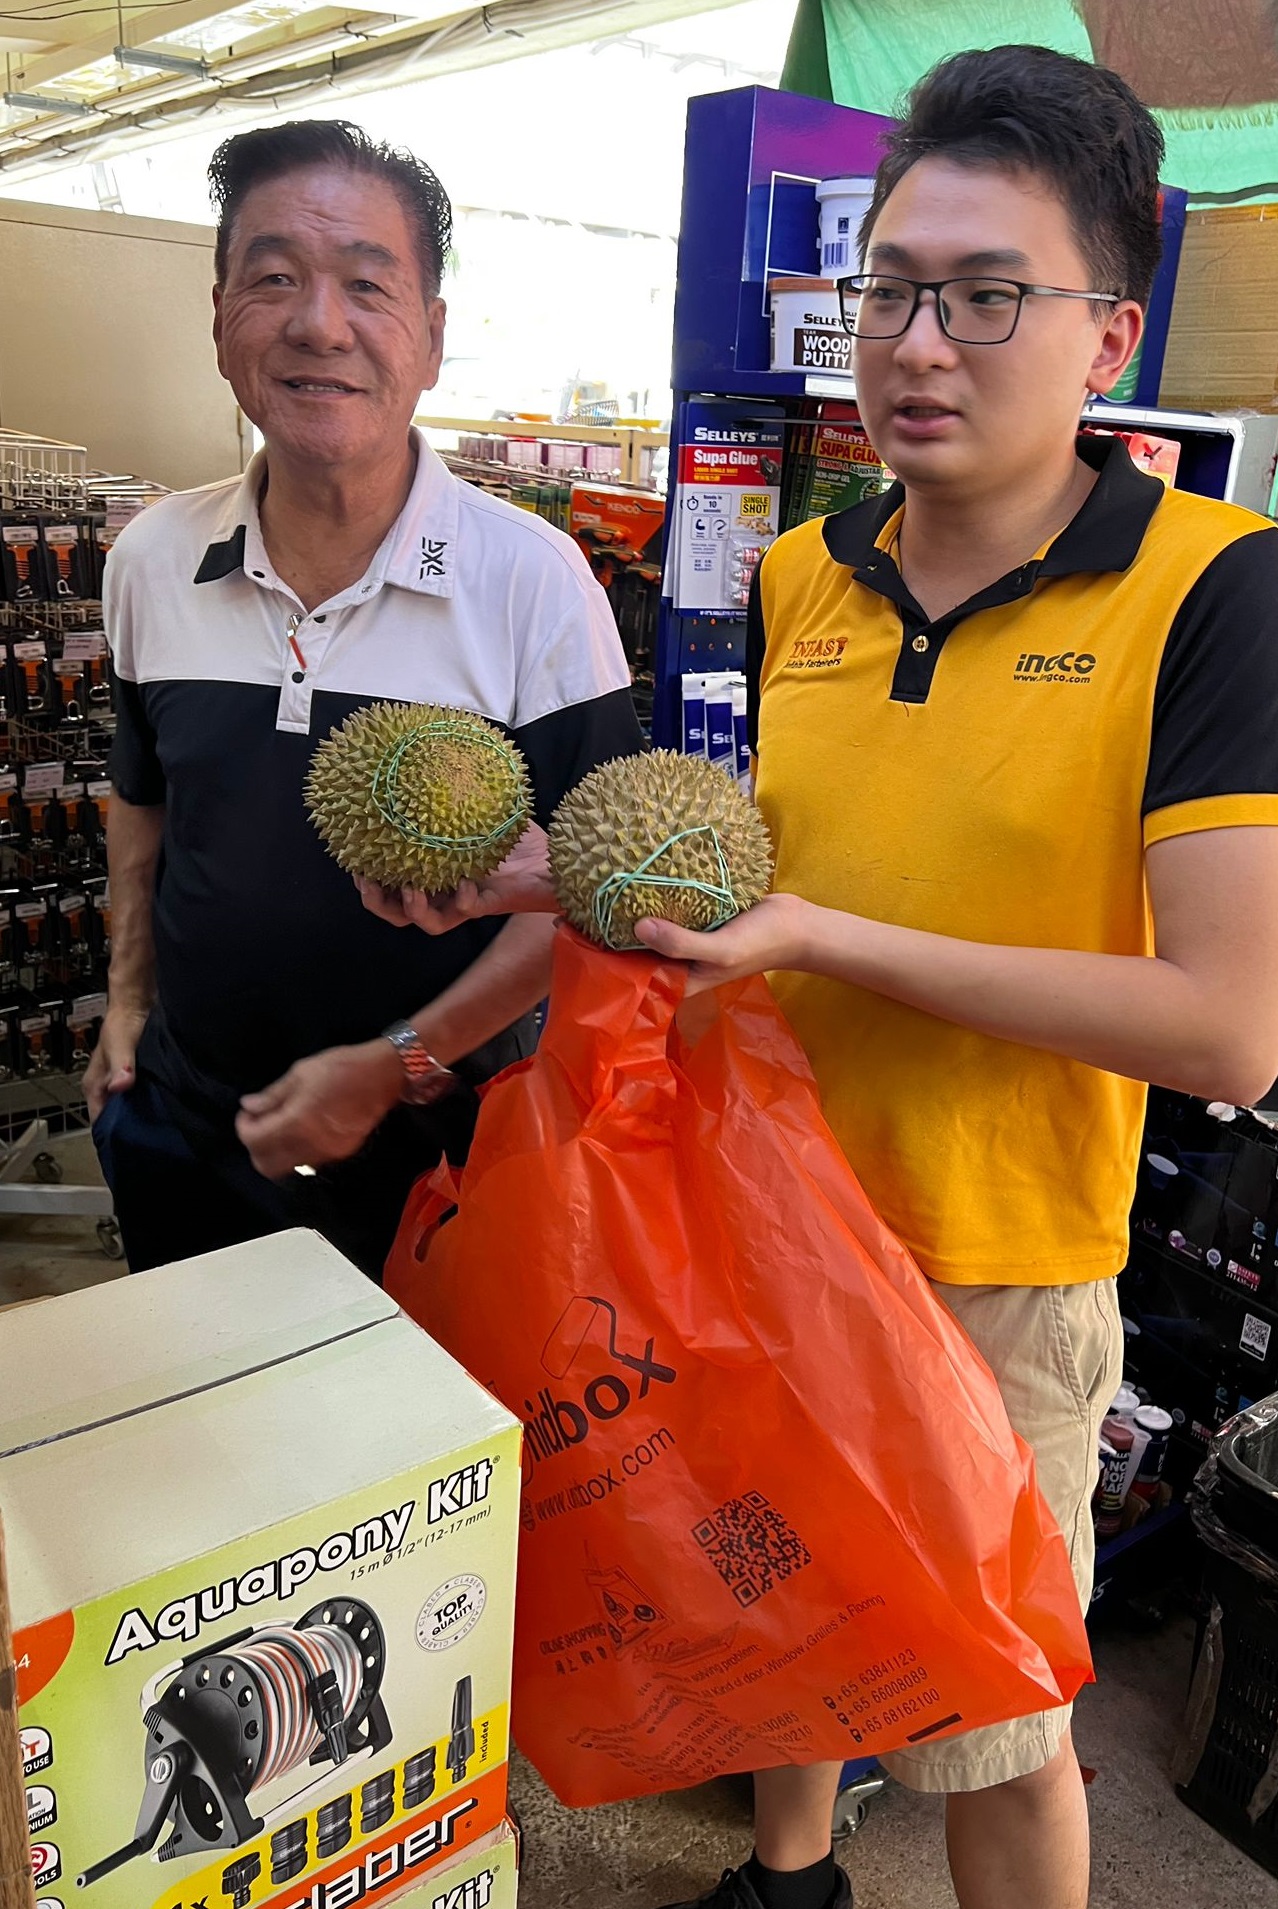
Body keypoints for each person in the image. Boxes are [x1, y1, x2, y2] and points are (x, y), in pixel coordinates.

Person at [366, 45, 1278, 1909]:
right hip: (751, 1212)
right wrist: (561, 875)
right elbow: (766, 867)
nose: (916, 341)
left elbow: (1223, 1021)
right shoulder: (802, 567)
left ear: (1106, 335)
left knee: (989, 1718)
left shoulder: (1216, 586)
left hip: (992, 1259)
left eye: (983, 295)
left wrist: (816, 940)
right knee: (775, 1600)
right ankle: (790, 1871)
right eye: (884, 286)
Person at [87, 119, 643, 1278]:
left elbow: (599, 893)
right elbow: (141, 803)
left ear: (431, 337)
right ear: (220, 318)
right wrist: (125, 1006)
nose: (318, 324)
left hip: (440, 1155)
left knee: (412, 1458)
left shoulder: (531, 584)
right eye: (274, 278)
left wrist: (396, 1063)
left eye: (366, 284)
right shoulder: (149, 558)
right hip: (186, 1128)